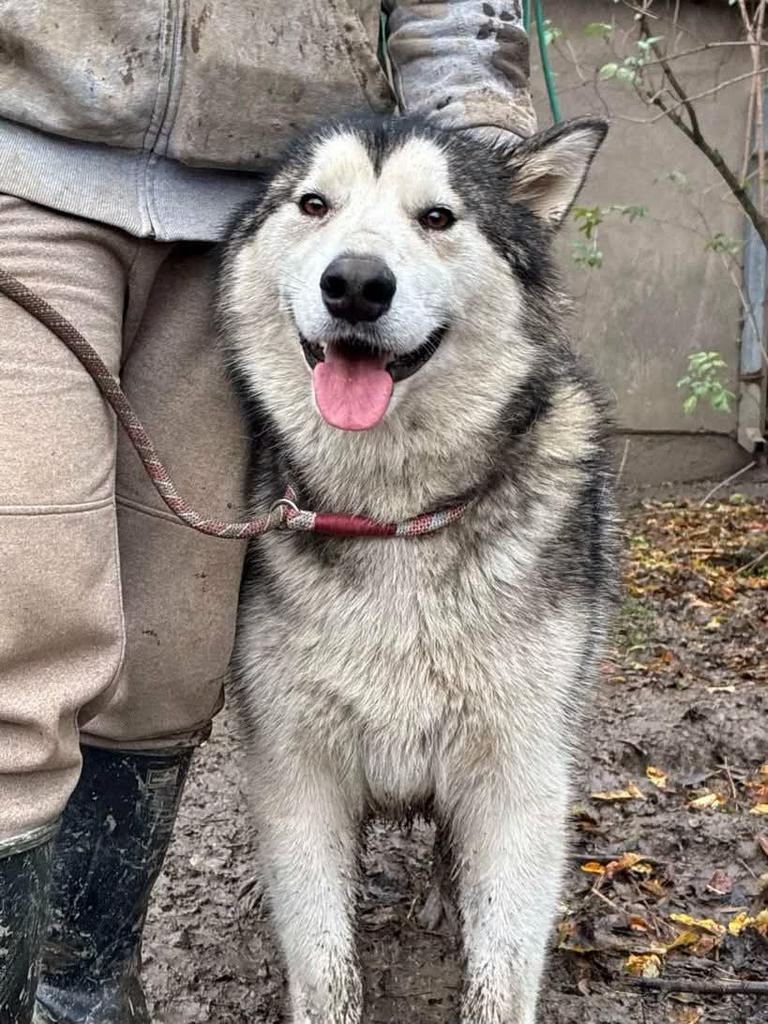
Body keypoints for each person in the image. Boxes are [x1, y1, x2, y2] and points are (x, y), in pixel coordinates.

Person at [0, 3, 535, 1022]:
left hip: (254, 198)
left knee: (170, 662)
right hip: (22, 167)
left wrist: (487, 158)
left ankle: (83, 993)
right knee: (17, 637)